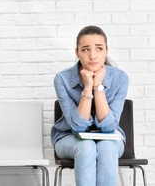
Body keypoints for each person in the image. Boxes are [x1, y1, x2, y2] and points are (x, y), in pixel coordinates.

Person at [51, 25, 129, 186]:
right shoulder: (62, 79)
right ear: (77, 52)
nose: (93, 56)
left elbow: (108, 127)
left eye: (99, 49)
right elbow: (78, 127)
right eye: (86, 49)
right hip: (68, 137)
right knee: (86, 146)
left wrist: (98, 87)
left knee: (107, 147)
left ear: (106, 50)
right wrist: (87, 87)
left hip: (109, 137)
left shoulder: (120, 78)